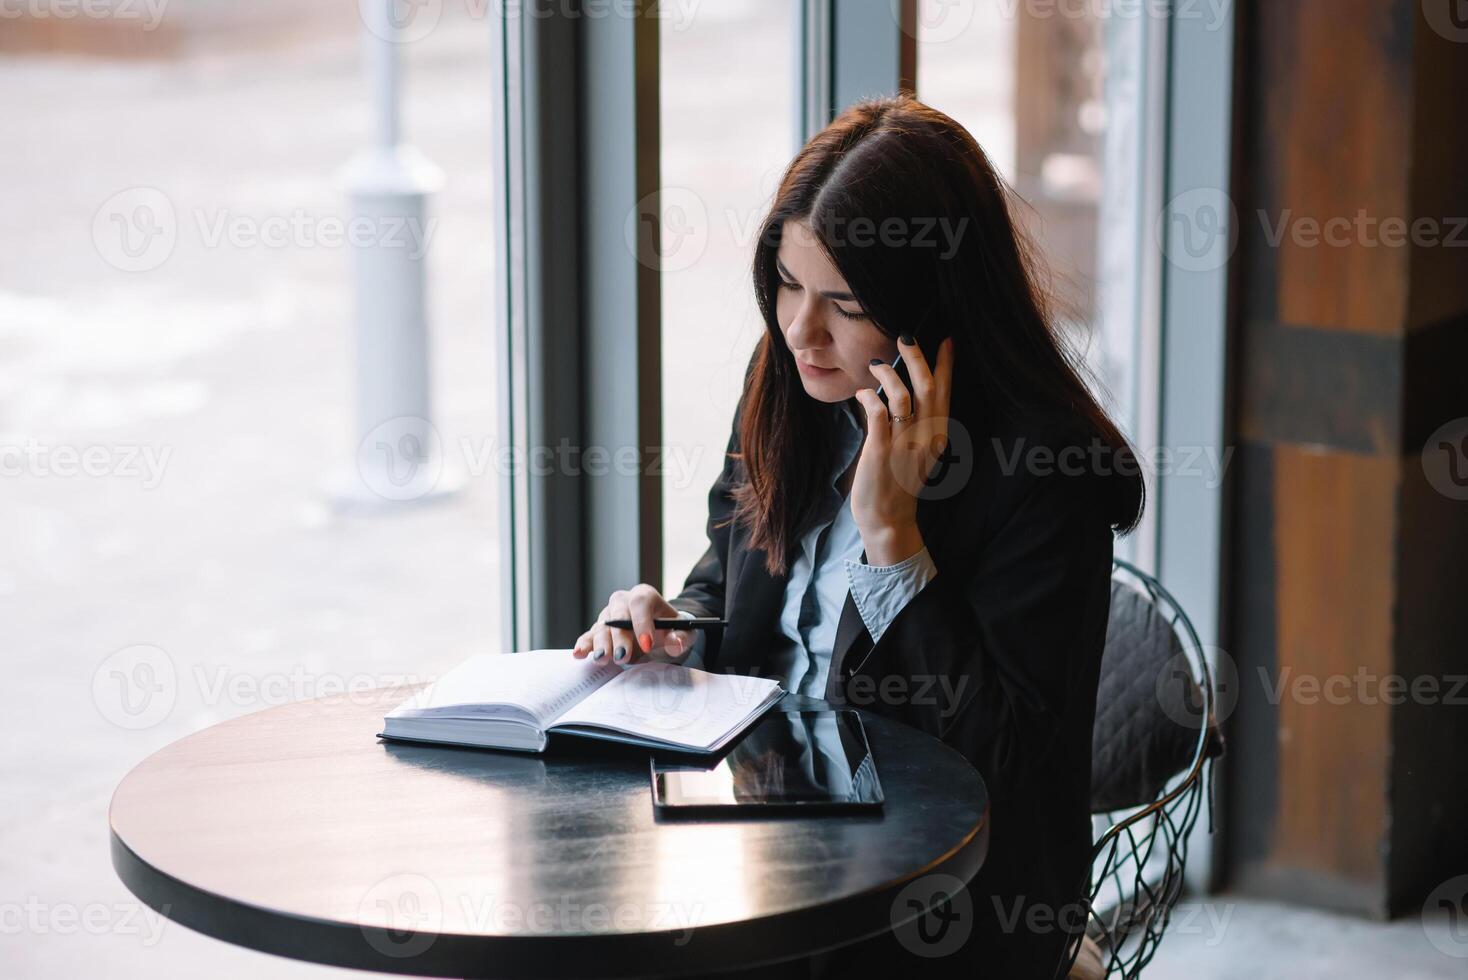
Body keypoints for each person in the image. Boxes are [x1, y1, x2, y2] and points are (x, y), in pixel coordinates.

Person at [571, 94, 1144, 977]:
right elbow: (731, 580)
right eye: (789, 284)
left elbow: (1005, 761)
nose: (800, 330)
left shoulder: (1041, 471)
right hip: (759, 826)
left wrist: (893, 537)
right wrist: (674, 626)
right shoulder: (797, 385)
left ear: (932, 304)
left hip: (937, 892)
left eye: (843, 301)